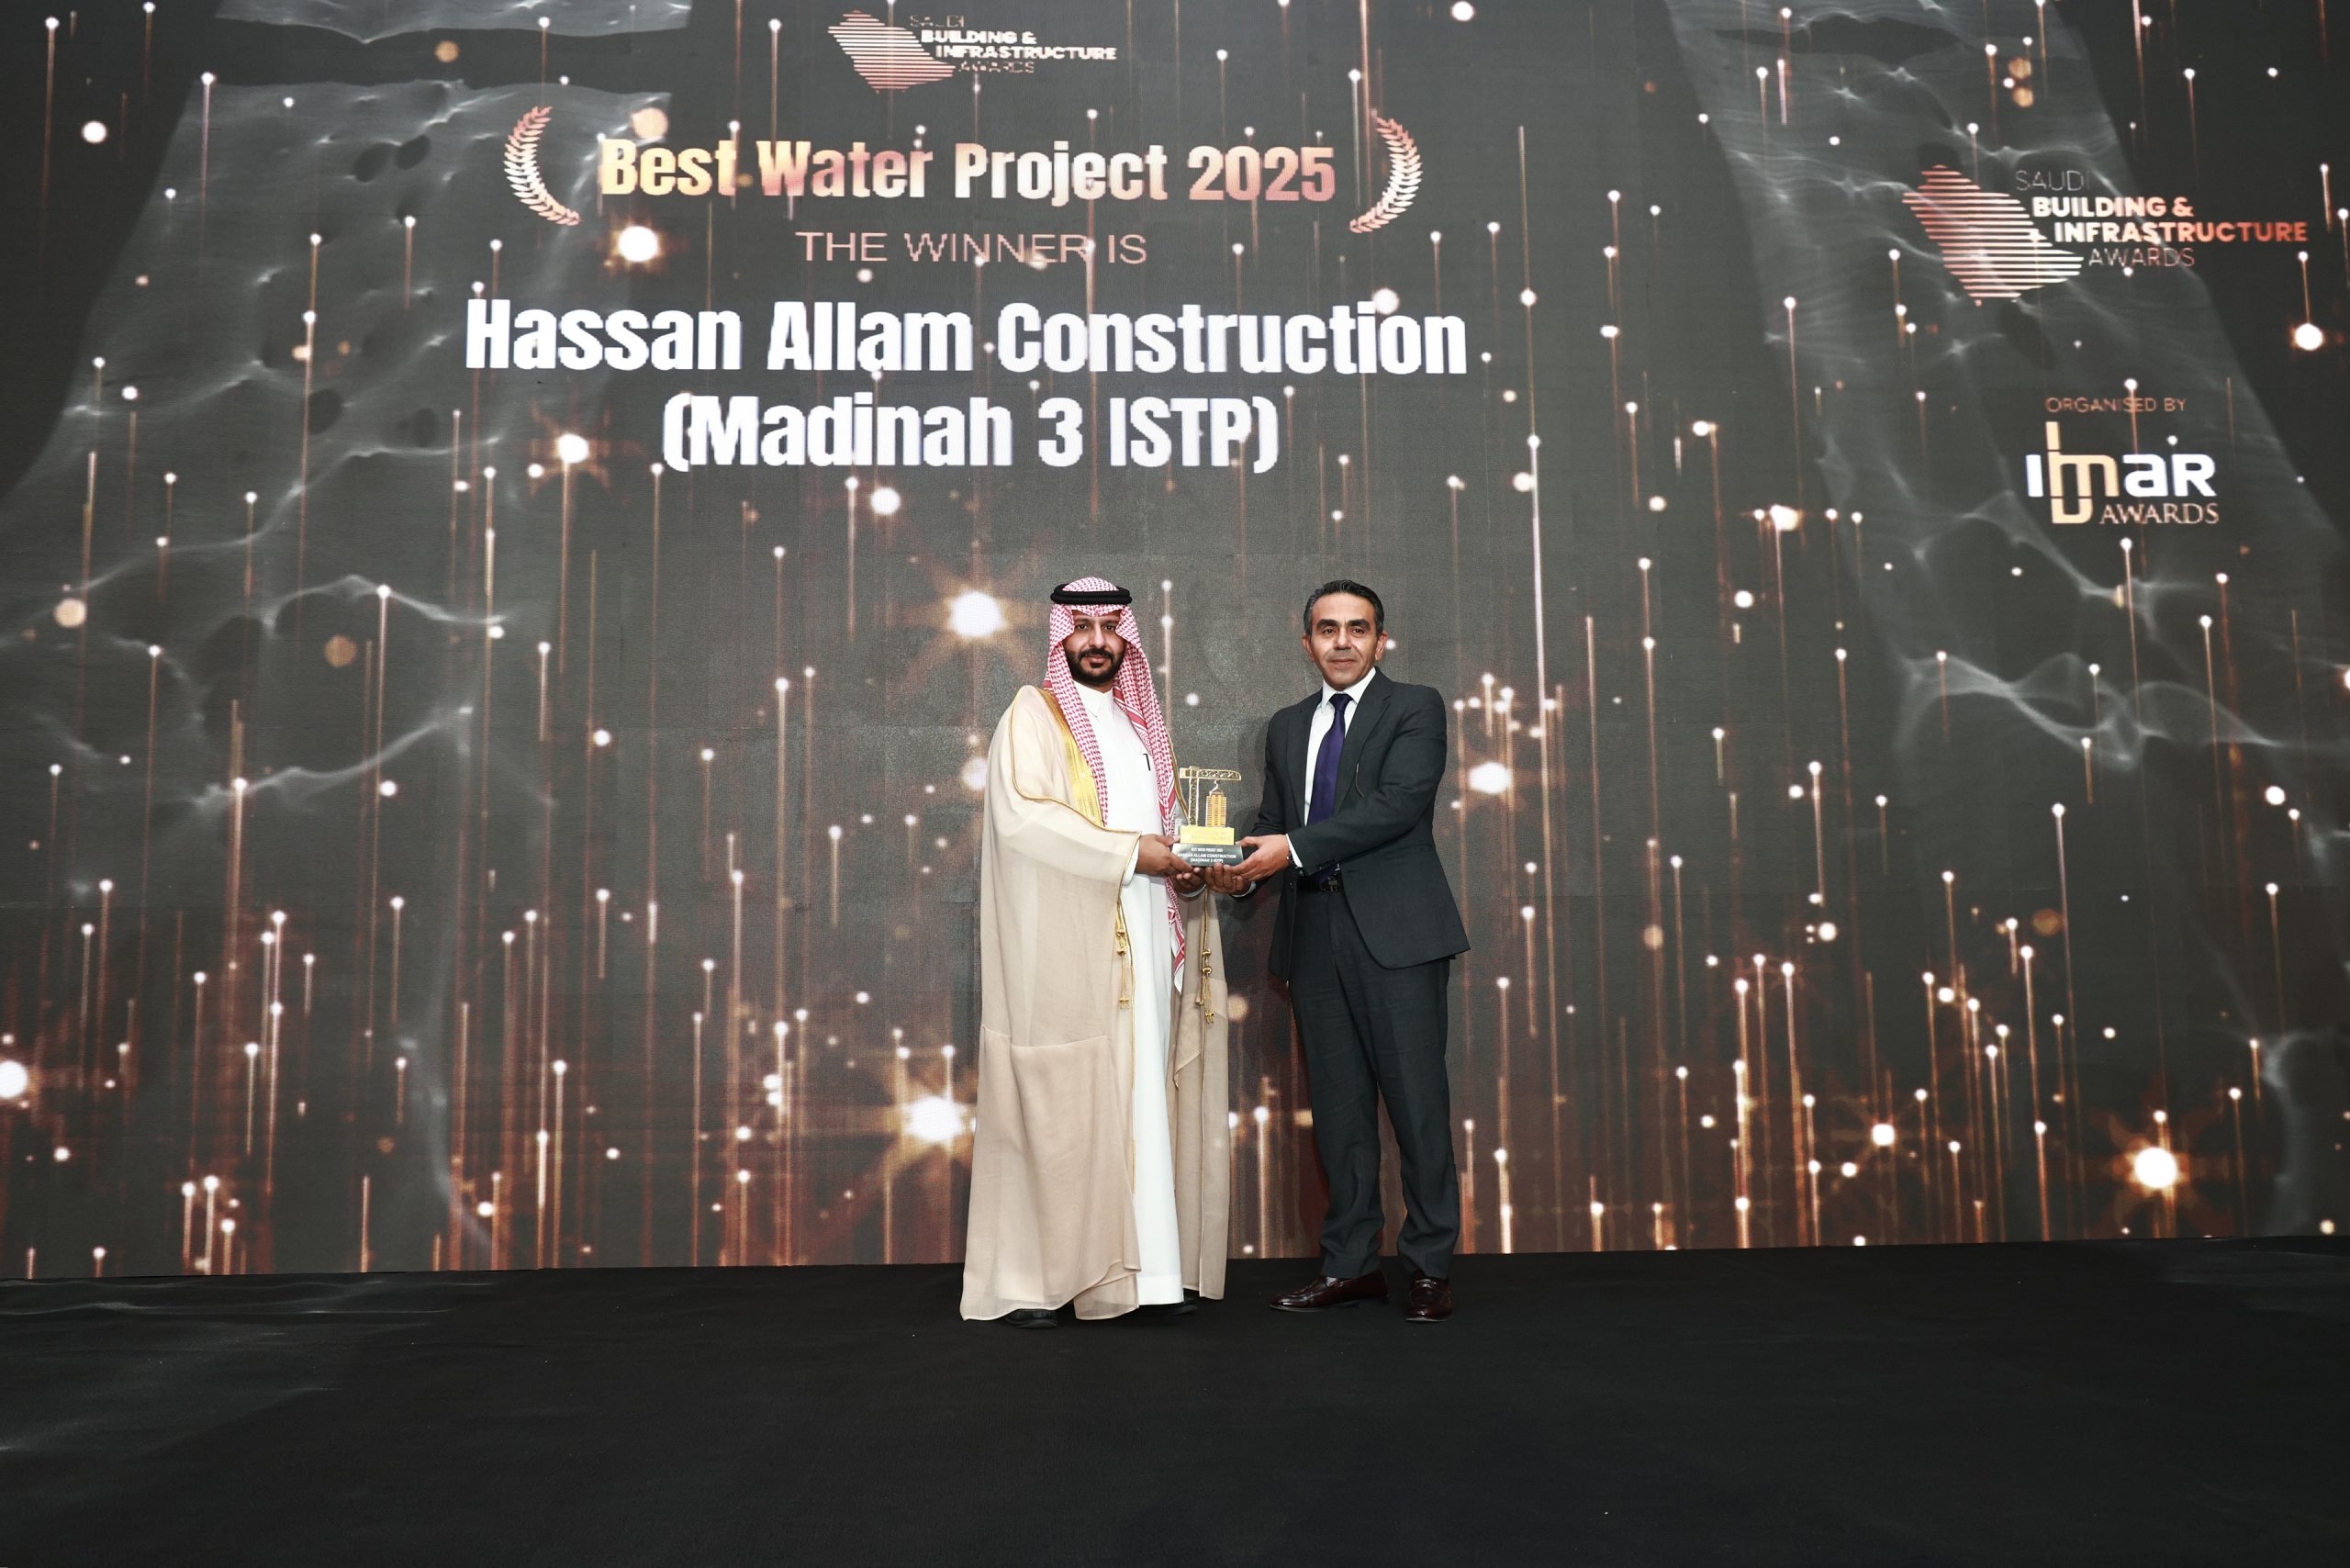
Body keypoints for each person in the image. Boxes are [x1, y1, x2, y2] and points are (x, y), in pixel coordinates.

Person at [961, 577, 1231, 1327]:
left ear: (1128, 639)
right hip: (1067, 946)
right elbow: (1025, 820)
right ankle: (1039, 1281)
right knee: (1066, 1104)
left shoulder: (1141, 728)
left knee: (1142, 1099)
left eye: (1112, 626)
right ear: (1061, 637)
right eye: (1081, 626)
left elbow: (1165, 829)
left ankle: (1151, 1278)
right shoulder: (1034, 714)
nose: (1098, 641)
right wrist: (1134, 853)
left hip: (1144, 933)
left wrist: (1188, 866)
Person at [1209, 580, 1470, 1323]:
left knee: (1417, 1107)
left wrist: (1286, 849)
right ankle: (1351, 1266)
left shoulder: (1415, 706)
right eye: (1328, 629)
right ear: (1307, 643)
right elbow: (1274, 821)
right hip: (1313, 935)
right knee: (1340, 1111)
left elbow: (1397, 806)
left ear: (1381, 640)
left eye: (1358, 628)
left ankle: (1429, 1268)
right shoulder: (1288, 725)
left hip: (1397, 936)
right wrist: (1233, 870)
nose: (1343, 641)